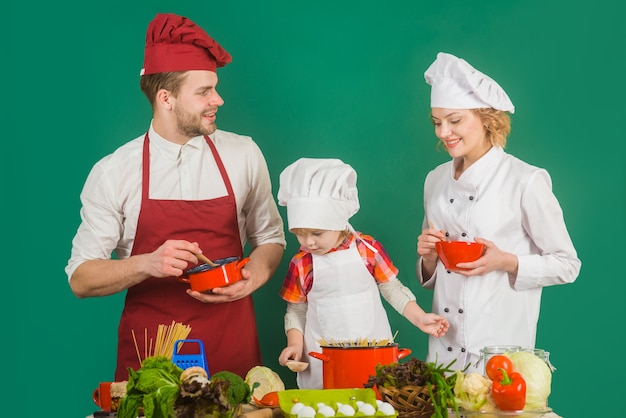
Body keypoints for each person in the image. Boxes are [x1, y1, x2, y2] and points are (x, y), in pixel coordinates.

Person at [65, 13, 286, 381]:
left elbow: (270, 238)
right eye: (203, 92)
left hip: (232, 347)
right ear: (165, 98)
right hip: (153, 361)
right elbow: (81, 279)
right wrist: (146, 264)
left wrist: (255, 274)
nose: (219, 99)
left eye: (214, 87)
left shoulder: (243, 154)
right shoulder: (115, 171)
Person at [416, 52, 581, 373]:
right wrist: (428, 257)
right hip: (442, 354)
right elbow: (433, 277)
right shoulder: (435, 180)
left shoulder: (525, 180)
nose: (442, 132)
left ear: (486, 118)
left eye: (454, 120)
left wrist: (506, 261)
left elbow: (568, 264)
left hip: (500, 351)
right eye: (437, 122)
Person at [276, 158, 449, 389]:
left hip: (373, 358)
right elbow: (296, 311)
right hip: (323, 363)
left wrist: (421, 319)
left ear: (338, 221)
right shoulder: (301, 262)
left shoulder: (368, 250)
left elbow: (392, 290)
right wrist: (295, 344)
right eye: (299, 234)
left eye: (317, 233)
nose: (308, 242)